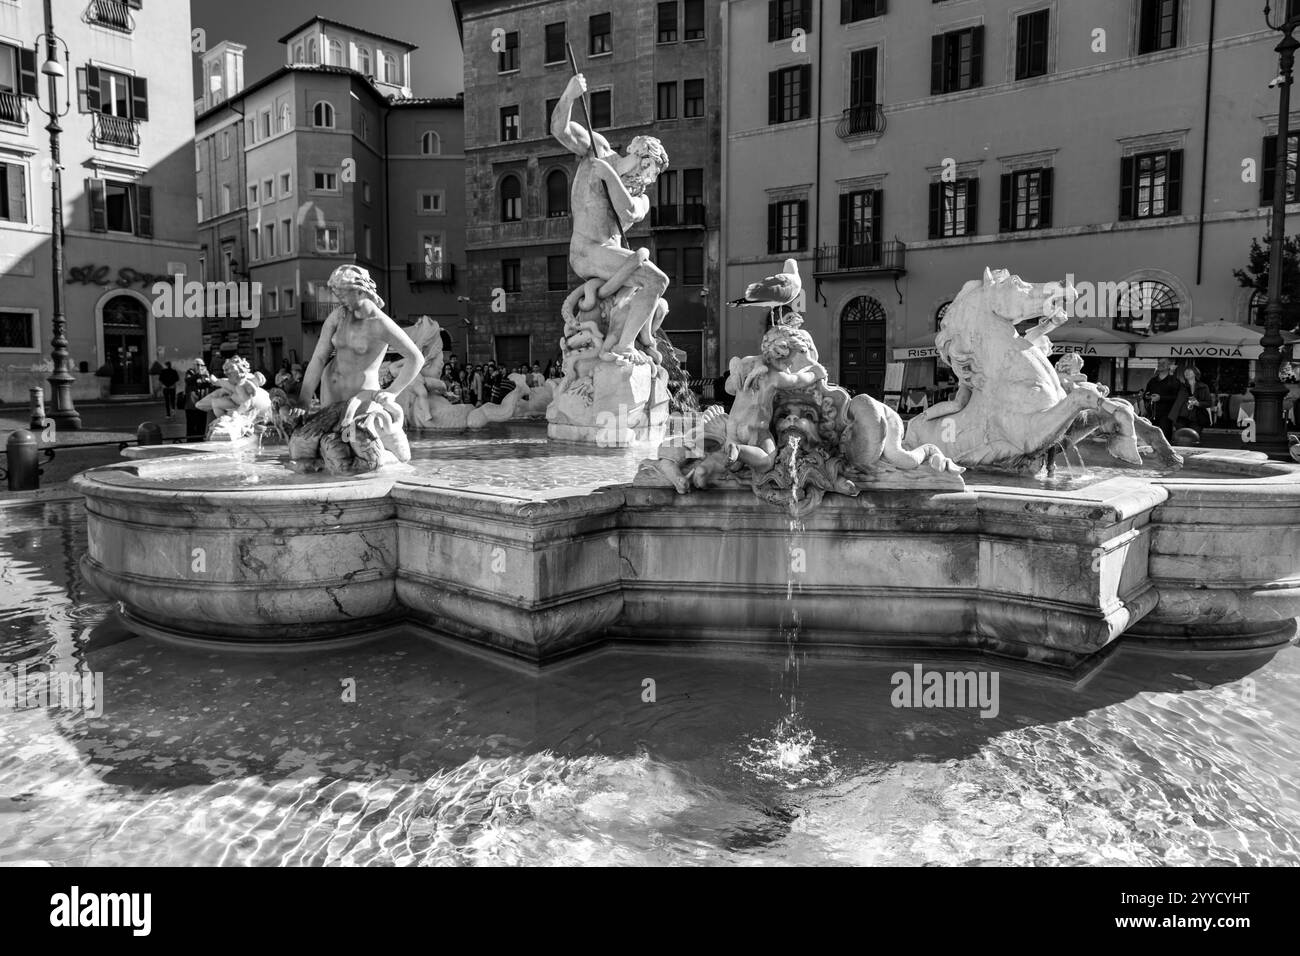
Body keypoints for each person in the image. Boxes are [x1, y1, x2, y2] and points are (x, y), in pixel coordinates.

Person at [553, 73, 670, 357]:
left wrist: (611, 178)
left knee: (660, 299)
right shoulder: (599, 151)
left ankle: (635, 340)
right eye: (648, 170)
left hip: (613, 258)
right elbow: (561, 130)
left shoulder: (640, 198)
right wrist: (569, 96)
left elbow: (628, 210)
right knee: (657, 280)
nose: (647, 180)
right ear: (639, 155)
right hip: (588, 251)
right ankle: (623, 348)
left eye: (651, 176)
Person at [1168, 365, 1214, 435]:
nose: (1187, 372)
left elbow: (1209, 403)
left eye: (1189, 371)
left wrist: (1198, 403)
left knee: (1194, 438)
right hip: (1181, 417)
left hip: (1197, 418)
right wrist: (1171, 372)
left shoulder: (1204, 387)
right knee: (1181, 438)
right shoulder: (1181, 386)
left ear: (1195, 373)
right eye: (1185, 371)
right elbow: (1172, 384)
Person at [1143, 358, 1181, 440]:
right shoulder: (1152, 381)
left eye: (1163, 363)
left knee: (1164, 440)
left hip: (1167, 416)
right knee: (1151, 439)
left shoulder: (1174, 381)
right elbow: (1146, 394)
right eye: (1159, 363)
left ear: (1169, 366)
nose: (1160, 364)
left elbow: (1176, 398)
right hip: (1152, 414)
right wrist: (1147, 396)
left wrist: (1161, 398)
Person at [184, 359, 216, 440]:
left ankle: (200, 438)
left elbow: (210, 385)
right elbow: (188, 381)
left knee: (201, 423)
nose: (200, 367)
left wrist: (209, 379)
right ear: (194, 365)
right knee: (191, 424)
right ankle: (190, 440)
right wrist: (198, 374)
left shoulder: (206, 373)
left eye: (202, 365)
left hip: (202, 403)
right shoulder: (190, 372)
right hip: (191, 403)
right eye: (197, 365)